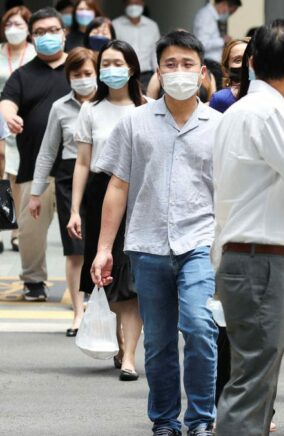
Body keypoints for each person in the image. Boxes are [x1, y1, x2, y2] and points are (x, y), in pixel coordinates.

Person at [91, 30, 220, 436]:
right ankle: (165, 420)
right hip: (147, 245)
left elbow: (231, 191)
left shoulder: (220, 125)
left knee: (200, 328)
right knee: (159, 342)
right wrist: (103, 249)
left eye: (187, 64)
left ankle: (200, 419)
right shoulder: (135, 122)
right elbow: (117, 185)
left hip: (200, 243)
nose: (179, 71)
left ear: (202, 73)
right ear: (158, 72)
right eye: (170, 64)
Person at [213, 19, 284, 435]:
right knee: (253, 381)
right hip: (259, 260)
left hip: (242, 255)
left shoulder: (238, 110)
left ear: (254, 61)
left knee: (253, 377)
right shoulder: (272, 113)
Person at [69, 40, 146, 382]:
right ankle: (120, 343)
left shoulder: (147, 108)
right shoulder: (90, 109)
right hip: (101, 195)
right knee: (106, 276)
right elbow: (83, 162)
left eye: (117, 62)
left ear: (131, 68)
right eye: (106, 63)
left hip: (139, 195)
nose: (110, 69)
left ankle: (129, 355)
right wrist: (74, 209)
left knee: (129, 278)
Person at [0, 7, 71, 301]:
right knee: (30, 232)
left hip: (75, 167)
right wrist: (9, 117)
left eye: (53, 30)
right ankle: (33, 281)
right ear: (32, 37)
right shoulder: (23, 75)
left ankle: (88, 285)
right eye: (40, 32)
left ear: (64, 33)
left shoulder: (80, 67)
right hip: (34, 167)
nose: (47, 37)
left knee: (81, 231)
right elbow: (6, 102)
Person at [28, 47, 96, 336]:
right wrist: (35, 192)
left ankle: (107, 310)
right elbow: (47, 153)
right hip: (68, 178)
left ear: (98, 73)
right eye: (76, 74)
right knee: (75, 250)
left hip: (106, 176)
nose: (82, 79)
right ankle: (78, 313)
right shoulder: (60, 107)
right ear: (68, 77)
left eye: (88, 73)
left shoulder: (110, 102)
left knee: (105, 247)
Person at [0, 5, 34, 254]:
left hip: (25, 120)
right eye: (9, 25)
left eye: (19, 25)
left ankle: (16, 232)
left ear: (29, 29)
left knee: (18, 178)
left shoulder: (35, 54)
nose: (13, 30)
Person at [112, 0, 161, 90]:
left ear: (143, 3)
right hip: (123, 75)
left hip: (147, 76)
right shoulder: (115, 25)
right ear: (125, 4)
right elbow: (112, 51)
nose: (133, 6)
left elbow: (155, 52)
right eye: (130, 3)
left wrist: (157, 75)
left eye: (137, 3)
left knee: (148, 102)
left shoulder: (152, 26)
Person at [193, 0, 241, 89]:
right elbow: (202, 43)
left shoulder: (212, 17)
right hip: (210, 63)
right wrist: (222, 40)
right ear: (224, 4)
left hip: (214, 64)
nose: (227, 14)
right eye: (229, 12)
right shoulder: (206, 16)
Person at [208, 37, 248, 113]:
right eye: (238, 60)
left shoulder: (267, 95)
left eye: (249, 58)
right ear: (226, 70)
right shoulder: (220, 99)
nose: (246, 64)